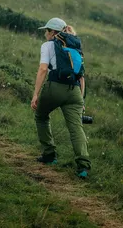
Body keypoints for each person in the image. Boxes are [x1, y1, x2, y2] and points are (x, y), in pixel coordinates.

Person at [31, 18, 91, 178]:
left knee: (41, 117)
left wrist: (36, 93)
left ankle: (49, 156)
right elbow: (81, 76)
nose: (45, 34)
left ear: (52, 32)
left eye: (46, 31)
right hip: (75, 92)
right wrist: (82, 101)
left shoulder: (48, 45)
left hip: (55, 87)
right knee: (76, 128)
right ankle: (83, 167)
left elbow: (43, 69)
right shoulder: (75, 46)